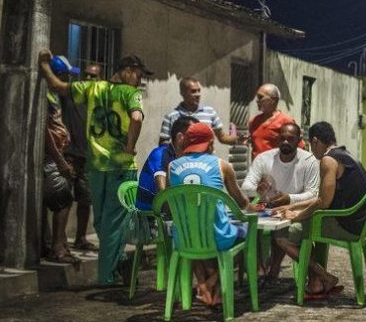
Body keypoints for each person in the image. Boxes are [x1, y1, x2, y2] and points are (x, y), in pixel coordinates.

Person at [39, 51, 150, 285]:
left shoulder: (94, 89)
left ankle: (113, 269)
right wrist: (130, 147)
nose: (139, 80)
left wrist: (44, 65)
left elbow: (59, 86)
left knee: (103, 221)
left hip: (97, 166)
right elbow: (137, 119)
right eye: (139, 75)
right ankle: (110, 275)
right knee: (109, 222)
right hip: (121, 167)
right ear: (128, 71)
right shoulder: (131, 93)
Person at [273, 121, 366, 299]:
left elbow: (323, 202)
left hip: (346, 225)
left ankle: (325, 277)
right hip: (358, 223)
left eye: (311, 145)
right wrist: (291, 206)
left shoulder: (328, 160)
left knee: (282, 236)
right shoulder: (345, 155)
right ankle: (316, 283)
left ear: (316, 141)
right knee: (311, 229)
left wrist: (296, 217)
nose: (312, 151)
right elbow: (322, 197)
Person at [167, 122, 249, 306]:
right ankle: (214, 283)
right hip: (217, 237)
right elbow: (241, 202)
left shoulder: (172, 166)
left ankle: (204, 284)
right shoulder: (222, 165)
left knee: (196, 231)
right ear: (210, 143)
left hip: (184, 239)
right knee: (247, 233)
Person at [241, 122, 319, 279]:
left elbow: (313, 193)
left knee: (281, 230)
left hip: (294, 208)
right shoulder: (264, 158)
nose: (285, 142)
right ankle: (259, 269)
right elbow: (245, 186)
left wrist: (289, 198)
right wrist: (258, 189)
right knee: (246, 221)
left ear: (299, 140)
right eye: (282, 138)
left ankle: (274, 267)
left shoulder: (308, 160)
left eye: (290, 139)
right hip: (266, 206)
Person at [58, 63, 101, 251]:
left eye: (94, 76)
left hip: (89, 157)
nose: (89, 79)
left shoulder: (99, 101)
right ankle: (59, 242)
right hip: (70, 155)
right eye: (87, 75)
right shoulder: (72, 96)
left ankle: (81, 238)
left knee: (85, 200)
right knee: (64, 199)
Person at [42, 85, 80, 264]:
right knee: (63, 200)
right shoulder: (45, 97)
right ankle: (57, 249)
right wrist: (60, 160)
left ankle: (58, 244)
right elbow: (45, 130)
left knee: (63, 198)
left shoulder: (54, 97)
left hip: (57, 155)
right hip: (51, 157)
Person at [159, 77, 244, 147]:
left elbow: (222, 137)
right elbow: (163, 144)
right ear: (182, 93)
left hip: (205, 164)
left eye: (199, 90)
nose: (198, 94)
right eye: (193, 91)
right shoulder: (171, 116)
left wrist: (238, 139)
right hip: (182, 164)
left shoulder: (209, 112)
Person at [136, 116, 198, 211]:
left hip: (171, 210)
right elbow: (164, 198)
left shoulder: (185, 157)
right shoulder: (160, 155)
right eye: (195, 135)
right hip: (151, 215)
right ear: (180, 137)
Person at [247, 83, 303, 158]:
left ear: (273, 100)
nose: (257, 101)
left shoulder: (286, 121)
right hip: (258, 167)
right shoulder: (254, 121)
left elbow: (299, 147)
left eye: (260, 97)